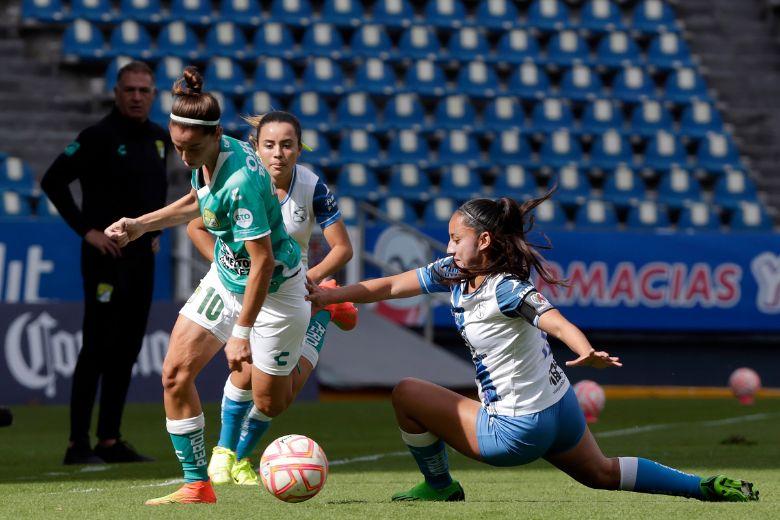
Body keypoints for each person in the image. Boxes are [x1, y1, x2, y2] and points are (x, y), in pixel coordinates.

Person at [306, 194, 759, 504]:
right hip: (560, 407)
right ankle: (703, 487)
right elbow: (389, 285)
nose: (448, 246)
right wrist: (333, 295)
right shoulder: (453, 271)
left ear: (484, 241)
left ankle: (440, 486)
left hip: (517, 430)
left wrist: (586, 349)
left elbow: (556, 321)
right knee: (602, 473)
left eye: (456, 238)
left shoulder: (506, 288)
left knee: (407, 393)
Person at [105, 67, 314, 506]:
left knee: (271, 403)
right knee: (174, 374)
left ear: (216, 134)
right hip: (227, 278)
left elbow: (263, 262)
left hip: (276, 292)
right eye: (177, 147)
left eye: (193, 148)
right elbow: (197, 200)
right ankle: (197, 484)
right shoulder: (211, 155)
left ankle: (320, 320)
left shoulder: (240, 182)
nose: (184, 157)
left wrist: (241, 332)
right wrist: (141, 225)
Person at [185, 110, 357, 486]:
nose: (278, 153)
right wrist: (226, 265)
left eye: (287, 145)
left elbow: (343, 248)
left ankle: (325, 311)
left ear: (299, 149)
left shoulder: (312, 187)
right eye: (269, 145)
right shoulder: (238, 180)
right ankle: (228, 455)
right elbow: (195, 225)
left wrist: (312, 280)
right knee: (244, 367)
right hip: (248, 289)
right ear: (255, 147)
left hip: (289, 292)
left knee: (274, 401)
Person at [41, 61, 168, 465]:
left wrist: (156, 233)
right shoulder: (97, 136)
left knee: (128, 349)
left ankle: (109, 440)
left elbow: (156, 194)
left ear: (153, 95)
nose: (136, 97)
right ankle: (77, 443)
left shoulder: (160, 139)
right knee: (97, 347)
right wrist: (88, 231)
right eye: (129, 90)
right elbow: (52, 181)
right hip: (104, 258)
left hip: (141, 260)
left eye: (143, 90)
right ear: (116, 93)